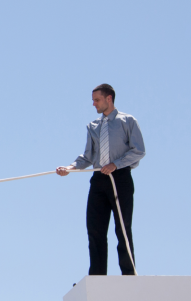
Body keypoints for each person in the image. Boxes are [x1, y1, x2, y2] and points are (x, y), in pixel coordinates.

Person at [56, 84, 145, 276]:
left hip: (120, 178)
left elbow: (139, 150)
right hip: (98, 180)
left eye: (96, 100)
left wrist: (116, 164)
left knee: (123, 229)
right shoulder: (93, 126)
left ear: (109, 99)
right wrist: (70, 168)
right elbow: (88, 156)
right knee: (95, 230)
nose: (94, 104)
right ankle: (97, 276)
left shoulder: (127, 121)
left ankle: (129, 275)